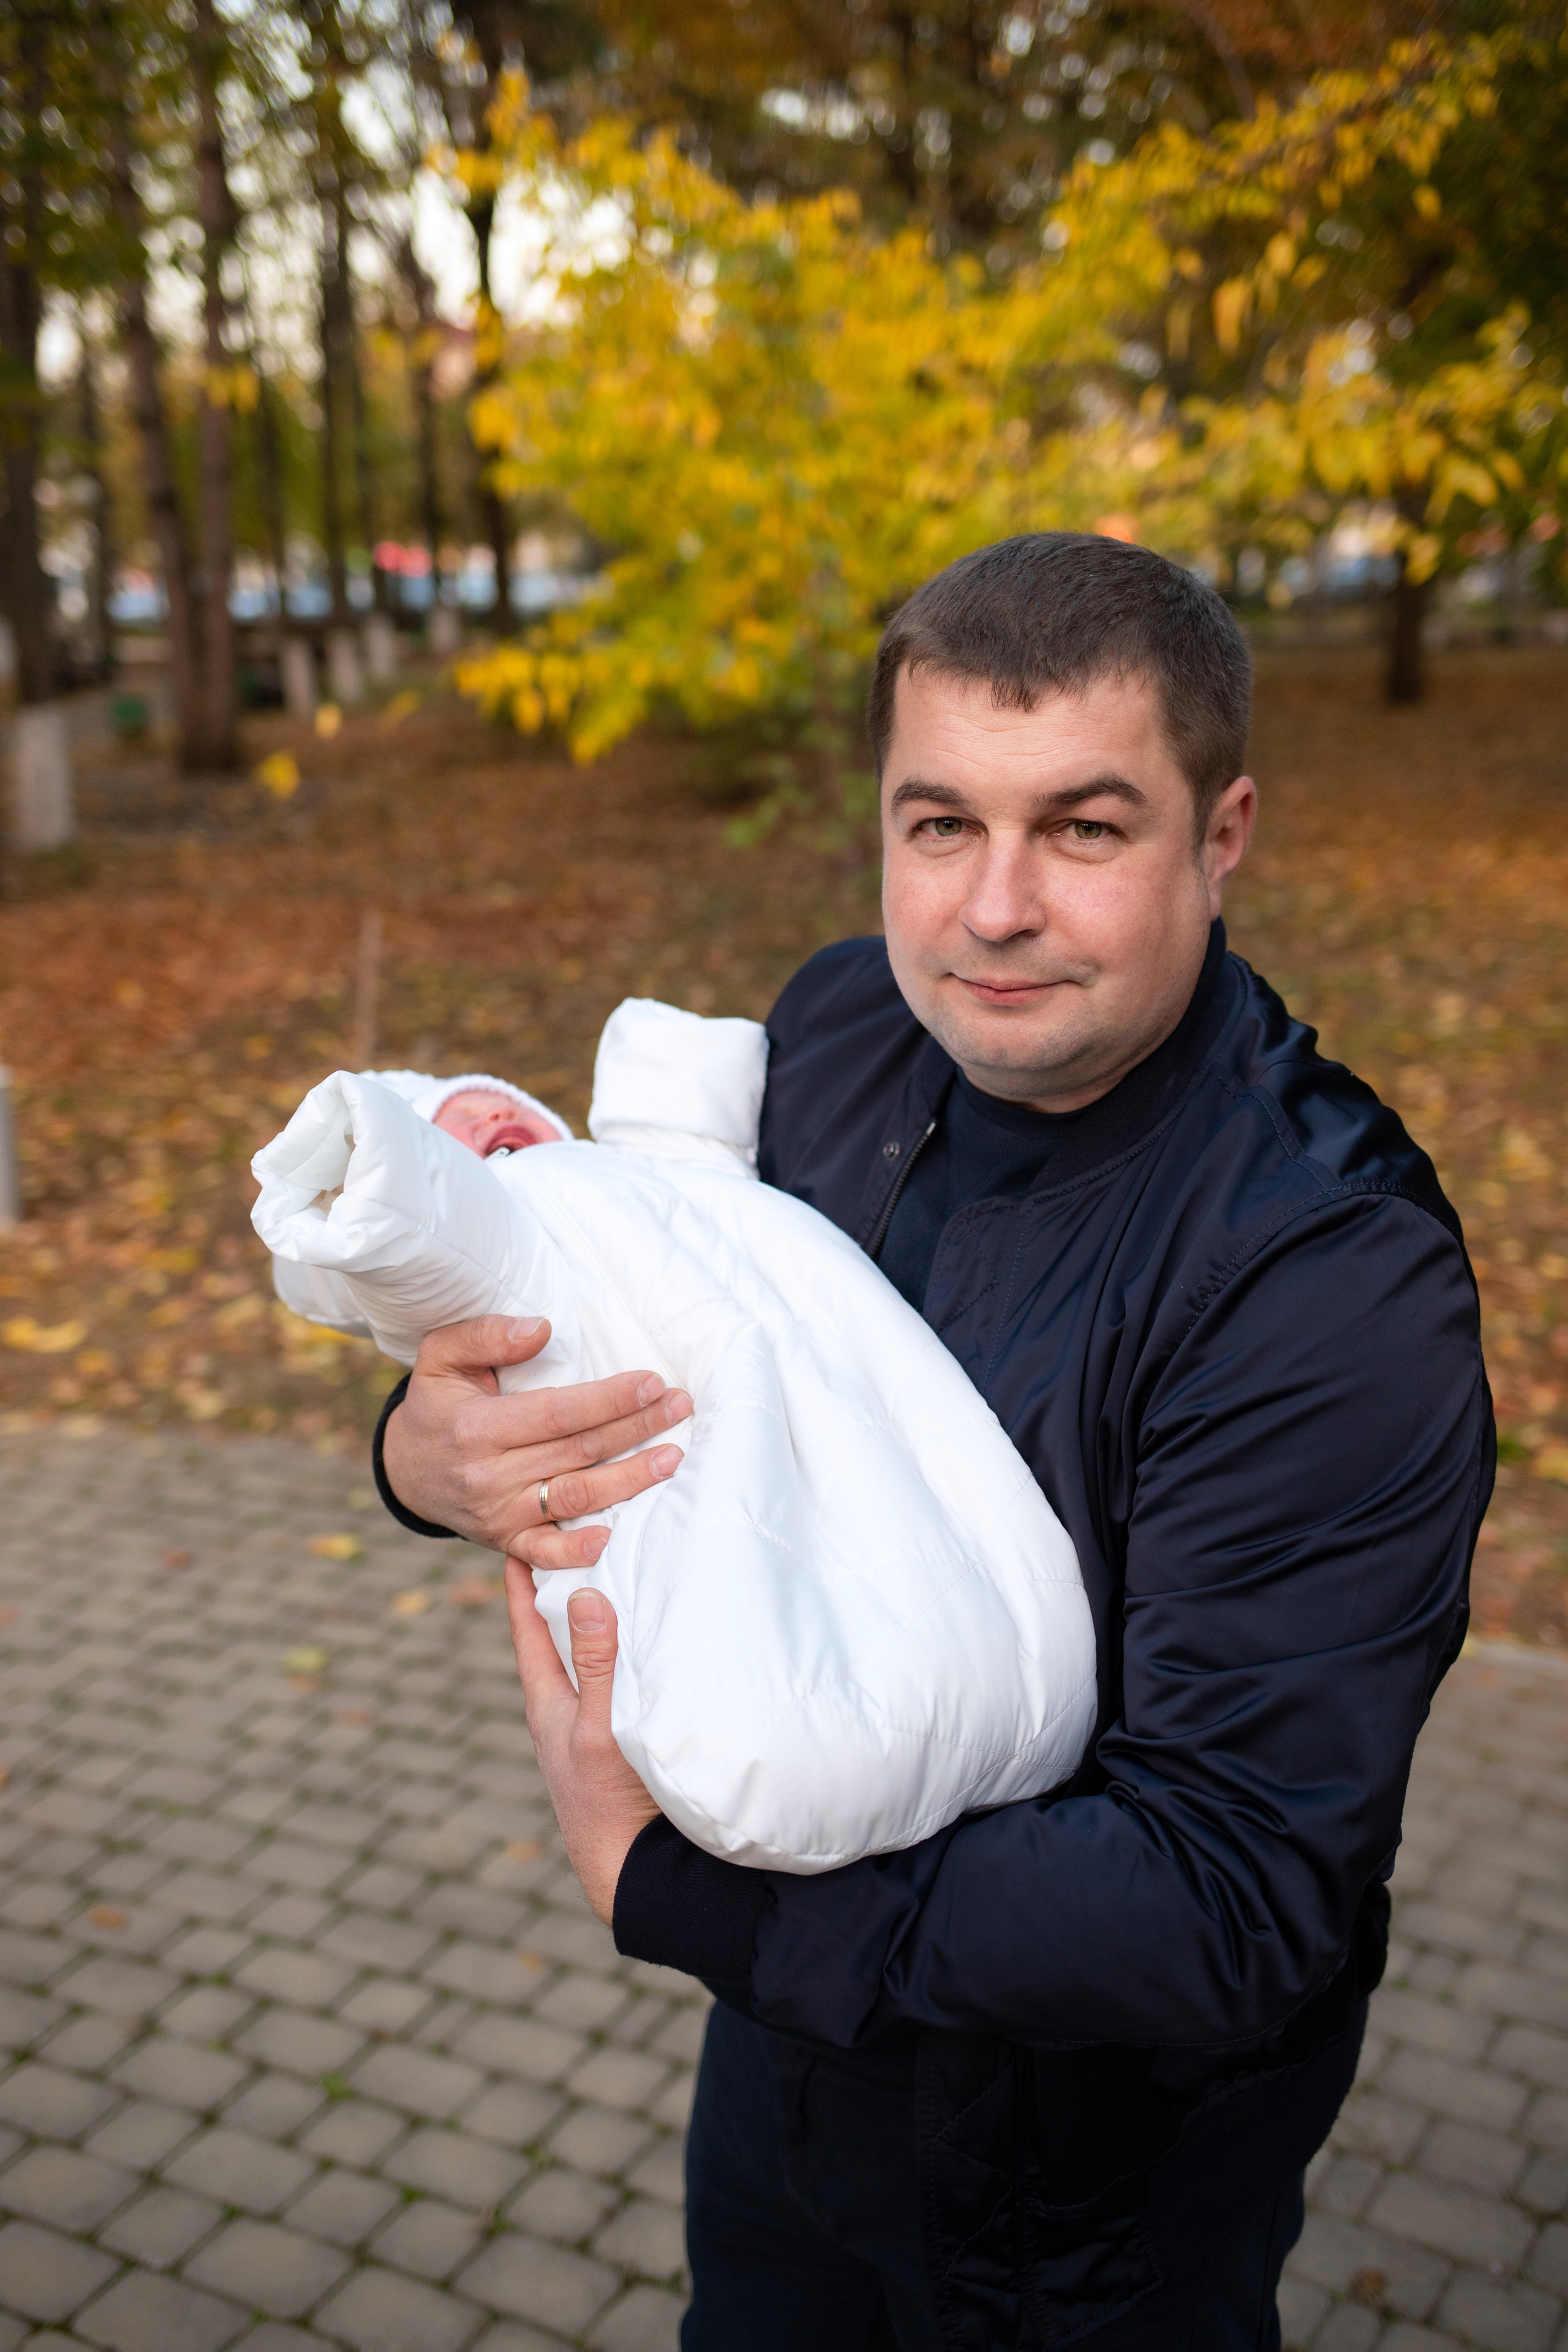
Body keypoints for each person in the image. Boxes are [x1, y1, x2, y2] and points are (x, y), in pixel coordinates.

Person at [373, 532, 1492, 2350]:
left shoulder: (1326, 1274)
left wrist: (672, 1886)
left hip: (1089, 2199)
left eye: (1087, 827)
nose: (991, 909)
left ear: (1224, 836)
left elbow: (1230, 1893)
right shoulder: (835, 1035)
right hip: (793, 2080)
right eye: (939, 823)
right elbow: (621, 1290)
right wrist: (427, 1458)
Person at [251, 1001, 1093, 1874]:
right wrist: (362, 1153)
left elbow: (682, 1095)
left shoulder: (654, 1168)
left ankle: (1007, 1673)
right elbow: (404, 1245)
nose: (483, 1119)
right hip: (680, 1421)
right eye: (449, 1133)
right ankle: (784, 1742)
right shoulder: (511, 1223)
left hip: (832, 1370)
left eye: (494, 1103)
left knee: (916, 1511)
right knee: (723, 1559)